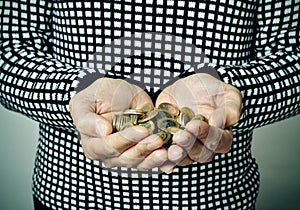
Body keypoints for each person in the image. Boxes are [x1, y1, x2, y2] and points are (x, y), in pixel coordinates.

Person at [0, 0, 299, 209]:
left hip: (217, 198)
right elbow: (9, 48)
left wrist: (235, 94)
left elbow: (292, 50)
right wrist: (75, 95)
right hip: (72, 196)